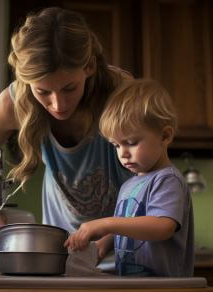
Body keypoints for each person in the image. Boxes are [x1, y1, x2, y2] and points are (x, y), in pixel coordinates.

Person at [0, 7, 134, 244]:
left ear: (89, 67)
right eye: (43, 91)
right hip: (63, 251)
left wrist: (115, 235)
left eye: (69, 88)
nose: (58, 104)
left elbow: (156, 174)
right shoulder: (12, 105)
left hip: (127, 245)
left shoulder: (121, 91)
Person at [65, 79, 194, 277]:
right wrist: (101, 245)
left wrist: (105, 223)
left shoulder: (167, 180)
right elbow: (127, 225)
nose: (123, 153)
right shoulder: (129, 185)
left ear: (165, 136)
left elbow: (162, 226)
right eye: (116, 145)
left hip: (165, 287)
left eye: (131, 142)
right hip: (133, 283)